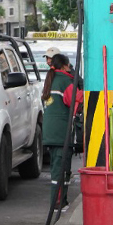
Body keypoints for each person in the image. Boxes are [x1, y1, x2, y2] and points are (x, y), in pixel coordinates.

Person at [41, 53, 80, 209]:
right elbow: (76, 100)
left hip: (50, 132)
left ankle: (61, 203)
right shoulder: (65, 81)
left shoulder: (50, 80)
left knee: (59, 169)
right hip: (61, 133)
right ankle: (57, 204)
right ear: (65, 66)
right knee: (60, 171)